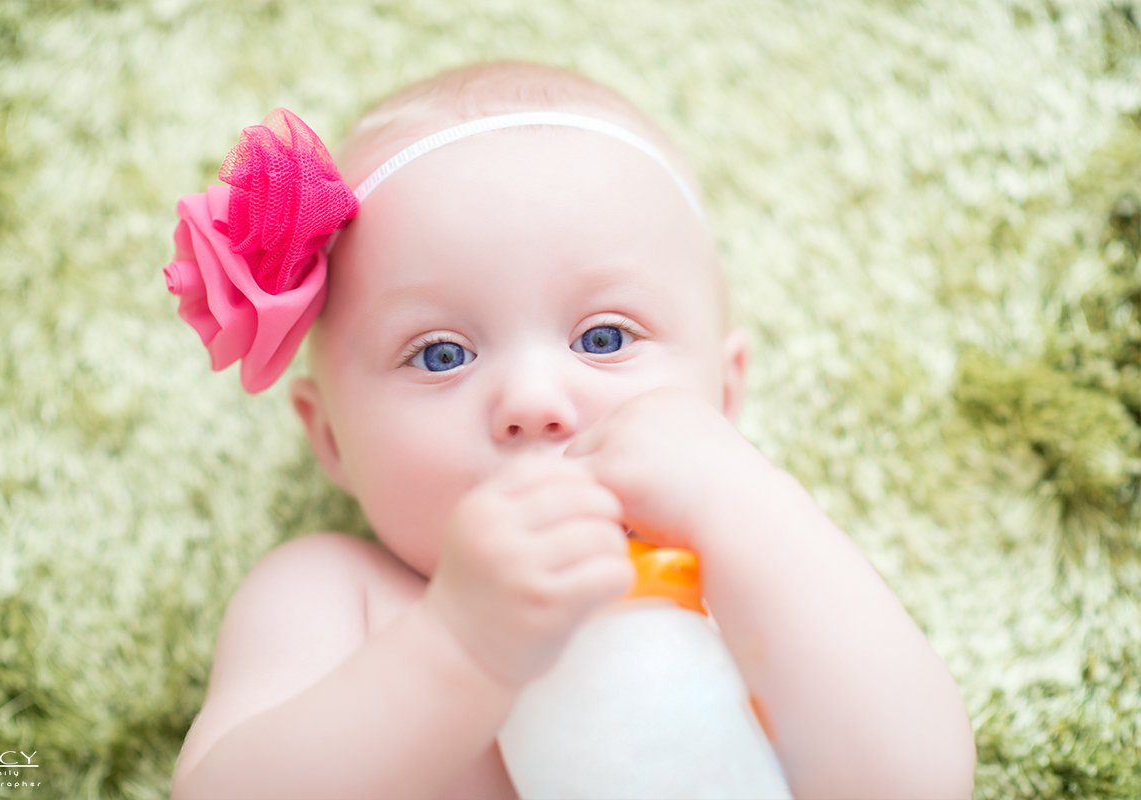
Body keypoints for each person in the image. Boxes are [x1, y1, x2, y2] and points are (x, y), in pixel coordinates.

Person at [165, 60, 976, 800]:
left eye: (605, 338)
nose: (532, 399)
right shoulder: (336, 598)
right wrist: (461, 645)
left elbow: (915, 782)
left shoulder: (750, 568)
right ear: (331, 438)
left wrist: (740, 499)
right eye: (441, 354)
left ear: (723, 396)